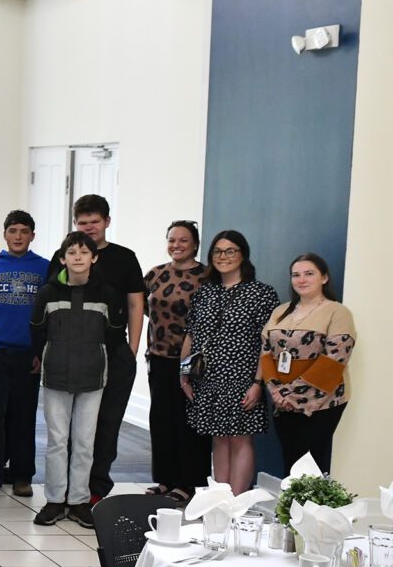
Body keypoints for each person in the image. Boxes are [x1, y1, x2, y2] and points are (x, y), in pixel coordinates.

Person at [41, 195, 144, 503]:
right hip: (70, 353)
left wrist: (132, 349)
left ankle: (95, 489)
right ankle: (67, 491)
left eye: (95, 222)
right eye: (83, 223)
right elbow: (49, 303)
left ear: (107, 222)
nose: (89, 228)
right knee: (67, 429)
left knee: (106, 424)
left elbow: (135, 303)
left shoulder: (125, 258)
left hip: (113, 350)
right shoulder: (62, 257)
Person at [31, 232, 126, 528]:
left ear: (94, 258)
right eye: (71, 252)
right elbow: (37, 331)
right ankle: (55, 500)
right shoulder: (48, 293)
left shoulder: (107, 294)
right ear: (62, 259)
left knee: (85, 441)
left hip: (93, 376)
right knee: (57, 441)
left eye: (84, 252)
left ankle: (79, 501)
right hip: (56, 375)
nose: (78, 257)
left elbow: (114, 335)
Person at [181, 230, 278, 495]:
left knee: (240, 438)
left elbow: (268, 344)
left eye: (230, 251)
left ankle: (237, 501)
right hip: (207, 378)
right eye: (217, 251)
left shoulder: (261, 293)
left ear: (243, 255)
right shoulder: (204, 293)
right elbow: (191, 336)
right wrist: (184, 375)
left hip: (243, 378)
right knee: (219, 438)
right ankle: (220, 500)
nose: (223, 256)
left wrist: (258, 383)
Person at [0, 211, 48, 497]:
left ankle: (22, 475)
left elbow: (48, 314)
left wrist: (41, 351)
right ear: (4, 234)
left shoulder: (43, 267)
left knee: (23, 416)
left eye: (24, 231)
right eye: (13, 231)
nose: (18, 236)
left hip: (28, 353)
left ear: (32, 235)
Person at [263, 253, 352, 474]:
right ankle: (289, 499)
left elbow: (335, 358)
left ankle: (309, 499)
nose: (301, 280)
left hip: (323, 402)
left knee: (310, 463)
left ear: (324, 278)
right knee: (290, 460)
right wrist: (277, 392)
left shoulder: (338, 312)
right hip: (282, 401)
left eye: (309, 274)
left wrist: (292, 395)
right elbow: (265, 352)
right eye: (296, 275)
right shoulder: (280, 311)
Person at [142, 221, 208, 501]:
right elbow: (143, 307)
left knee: (188, 421)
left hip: (192, 361)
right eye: (172, 240)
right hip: (159, 357)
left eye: (183, 240)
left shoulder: (206, 276)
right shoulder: (156, 273)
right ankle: (165, 479)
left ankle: (188, 482)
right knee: (161, 419)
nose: (176, 245)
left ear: (195, 244)